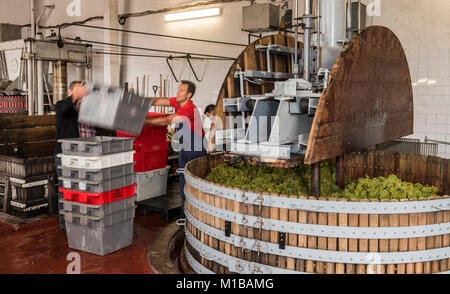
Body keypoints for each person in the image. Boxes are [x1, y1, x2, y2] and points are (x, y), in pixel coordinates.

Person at [145, 80, 206, 212]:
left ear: (189, 95)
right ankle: (185, 209)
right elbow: (157, 101)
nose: (178, 93)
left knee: (195, 178)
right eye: (178, 90)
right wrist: (141, 101)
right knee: (183, 175)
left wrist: (141, 121)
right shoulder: (177, 102)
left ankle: (197, 210)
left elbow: (166, 121)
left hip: (196, 147)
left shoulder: (189, 109)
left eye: (181, 91)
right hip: (185, 145)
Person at [54, 80, 96, 231]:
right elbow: (60, 109)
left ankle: (84, 219)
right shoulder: (63, 107)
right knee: (67, 190)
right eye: (78, 90)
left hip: (86, 157)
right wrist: (76, 95)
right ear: (70, 92)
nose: (82, 94)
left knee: (85, 189)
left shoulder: (87, 110)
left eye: (83, 91)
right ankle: (66, 224)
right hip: (67, 157)